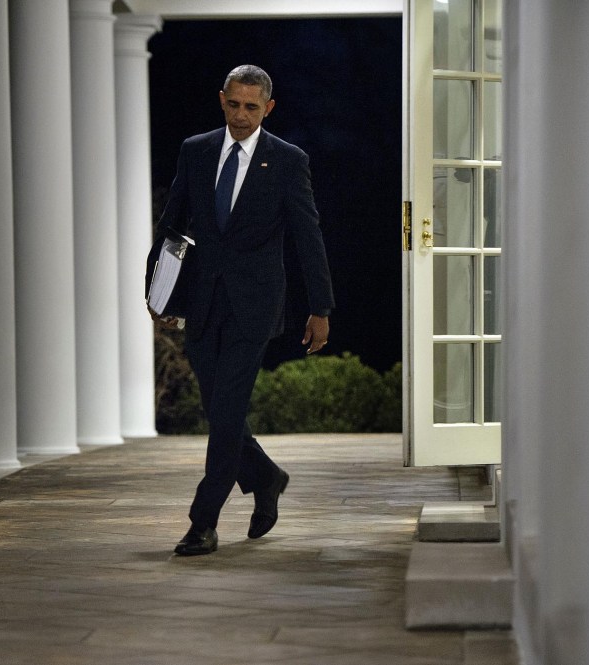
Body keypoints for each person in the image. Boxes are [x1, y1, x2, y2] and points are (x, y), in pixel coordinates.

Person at [146, 65, 335, 556]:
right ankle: (267, 476)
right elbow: (171, 226)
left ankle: (203, 522)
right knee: (219, 410)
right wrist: (157, 293)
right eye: (234, 104)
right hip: (202, 301)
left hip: (255, 304)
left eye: (252, 107)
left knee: (227, 407)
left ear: (268, 108)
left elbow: (308, 237)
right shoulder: (197, 150)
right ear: (222, 100)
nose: (242, 115)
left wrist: (321, 306)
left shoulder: (288, 161)